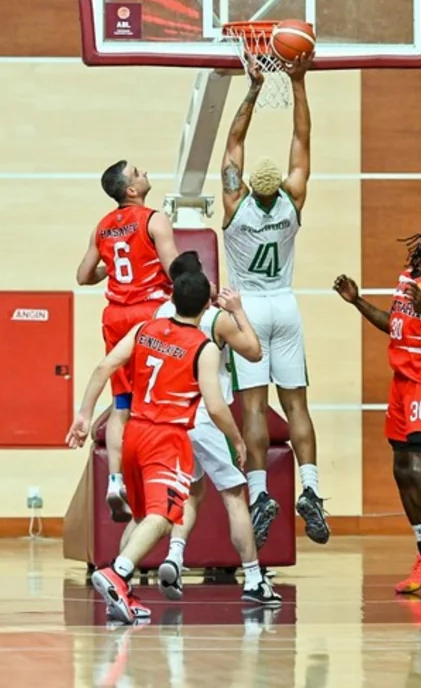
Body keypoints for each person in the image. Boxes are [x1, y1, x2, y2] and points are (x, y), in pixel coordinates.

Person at [66, 270, 244, 625]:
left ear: (172, 299)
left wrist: (84, 415)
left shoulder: (144, 329)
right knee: (165, 516)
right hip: (167, 438)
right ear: (207, 307)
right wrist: (237, 439)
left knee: (141, 515)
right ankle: (118, 572)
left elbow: (105, 366)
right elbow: (215, 405)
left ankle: (120, 592)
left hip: (133, 434)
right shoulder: (203, 347)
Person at [219, 51, 329, 547]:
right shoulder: (293, 198)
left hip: (247, 310)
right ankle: (312, 488)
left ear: (244, 186)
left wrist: (253, 87)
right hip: (285, 305)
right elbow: (301, 140)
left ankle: (261, 493)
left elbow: (233, 141)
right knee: (298, 404)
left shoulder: (233, 203)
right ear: (279, 185)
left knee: (256, 409)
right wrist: (298, 83)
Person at [333, 219, 421, 597]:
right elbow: (394, 324)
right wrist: (358, 302)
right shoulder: (408, 278)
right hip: (401, 380)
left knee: (418, 467)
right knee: (400, 469)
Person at [151, 252, 281, 607]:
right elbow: (255, 352)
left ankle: (175, 557)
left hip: (170, 420)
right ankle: (254, 578)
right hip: (207, 418)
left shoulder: (160, 315)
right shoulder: (215, 320)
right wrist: (238, 310)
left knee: (190, 493)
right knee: (235, 496)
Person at [76, 160, 179, 523]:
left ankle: (116, 481)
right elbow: (174, 270)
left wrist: (113, 266)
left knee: (122, 403)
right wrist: (205, 291)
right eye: (138, 171)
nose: (145, 171)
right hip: (150, 313)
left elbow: (82, 276)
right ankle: (159, 477)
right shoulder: (154, 219)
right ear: (132, 190)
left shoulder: (102, 227)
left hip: (115, 317)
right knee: (159, 399)